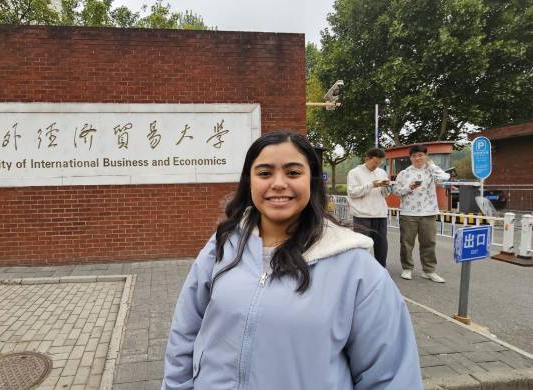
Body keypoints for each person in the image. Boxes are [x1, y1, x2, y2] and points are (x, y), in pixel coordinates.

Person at [161, 130, 421, 390]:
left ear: (313, 181)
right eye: (264, 173)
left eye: (293, 173)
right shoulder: (224, 243)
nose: (278, 183)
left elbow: (391, 376)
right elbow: (185, 332)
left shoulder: (357, 268)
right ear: (249, 182)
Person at [393, 144, 450, 283]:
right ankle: (407, 268)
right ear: (410, 158)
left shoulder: (431, 171)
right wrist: (409, 187)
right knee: (406, 242)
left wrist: (431, 165)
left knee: (429, 243)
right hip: (408, 213)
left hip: (428, 212)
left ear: (425, 156)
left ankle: (429, 270)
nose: (417, 158)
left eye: (420, 155)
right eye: (414, 156)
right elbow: (395, 191)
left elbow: (444, 178)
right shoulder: (404, 173)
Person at [347, 148, 390, 267]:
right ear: (367, 159)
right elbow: (352, 192)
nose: (377, 165)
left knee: (381, 243)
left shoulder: (382, 172)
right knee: (362, 244)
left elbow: (386, 194)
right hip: (362, 214)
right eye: (375, 162)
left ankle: (381, 268)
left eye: (379, 163)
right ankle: (362, 268)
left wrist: (386, 187)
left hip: (380, 213)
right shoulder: (354, 172)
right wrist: (372, 185)